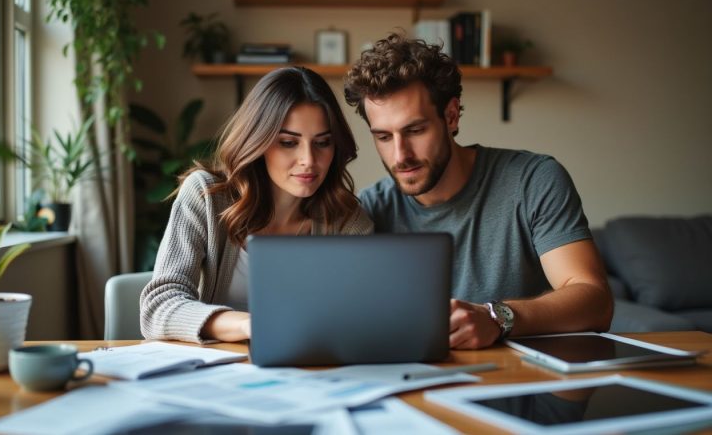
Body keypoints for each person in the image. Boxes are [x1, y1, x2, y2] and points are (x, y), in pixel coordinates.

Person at [343, 33, 612, 350]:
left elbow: (595, 301)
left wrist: (498, 318)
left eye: (414, 131)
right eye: (384, 137)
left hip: (522, 383)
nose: (400, 155)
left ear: (451, 115)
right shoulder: (369, 211)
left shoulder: (533, 180)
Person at [141, 67, 373, 343]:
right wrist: (249, 326)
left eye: (322, 143)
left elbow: (362, 318)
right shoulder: (206, 197)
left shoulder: (347, 221)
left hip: (308, 374)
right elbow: (158, 307)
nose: (309, 160)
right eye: (289, 142)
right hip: (216, 375)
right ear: (258, 141)